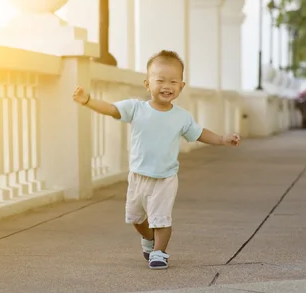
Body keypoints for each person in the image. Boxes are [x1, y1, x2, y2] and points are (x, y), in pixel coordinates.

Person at [72, 50, 240, 269]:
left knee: (161, 218)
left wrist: (221, 139)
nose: (166, 86)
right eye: (160, 80)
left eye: (173, 81)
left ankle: (160, 252)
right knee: (136, 218)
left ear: (181, 86)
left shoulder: (181, 117)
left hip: (165, 177)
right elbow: (112, 110)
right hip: (138, 176)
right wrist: (88, 101)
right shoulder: (136, 108)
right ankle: (148, 239)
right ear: (147, 84)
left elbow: (199, 133)